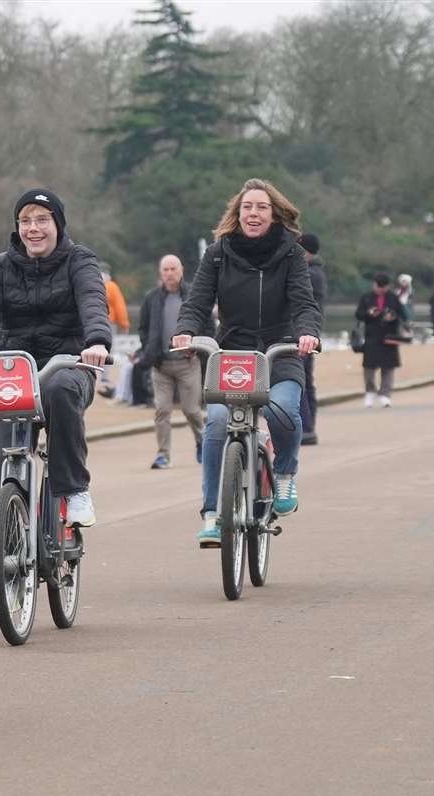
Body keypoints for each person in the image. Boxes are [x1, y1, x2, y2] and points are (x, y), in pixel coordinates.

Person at [0, 188, 112, 527]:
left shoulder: (80, 260)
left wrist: (98, 342)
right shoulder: (1, 267)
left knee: (60, 388)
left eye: (42, 220)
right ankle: (10, 546)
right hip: (13, 372)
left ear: (57, 224)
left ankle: (74, 491)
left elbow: (92, 301)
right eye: (25, 220)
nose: (33, 228)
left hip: (69, 364)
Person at [172, 177, 320, 547]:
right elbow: (197, 300)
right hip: (234, 351)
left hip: (281, 348)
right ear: (237, 214)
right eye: (247, 208)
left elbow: (303, 302)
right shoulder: (218, 253)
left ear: (275, 214)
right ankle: (211, 513)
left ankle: (284, 472)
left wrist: (307, 333)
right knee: (217, 424)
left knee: (284, 410)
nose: (254, 214)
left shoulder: (291, 254)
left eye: (261, 207)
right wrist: (186, 330)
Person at [137, 254, 203, 469]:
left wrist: (197, 348)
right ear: (160, 272)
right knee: (162, 410)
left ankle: (202, 443)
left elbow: (208, 325)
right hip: (161, 364)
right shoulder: (152, 298)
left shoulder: (193, 295)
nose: (169, 273)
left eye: (173, 269)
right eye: (165, 269)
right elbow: (143, 328)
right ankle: (163, 454)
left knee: (191, 410)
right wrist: (149, 348)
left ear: (181, 270)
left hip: (188, 362)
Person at [355, 272, 407, 406]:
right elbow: (358, 315)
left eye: (383, 287)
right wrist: (369, 313)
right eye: (379, 287)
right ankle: (370, 392)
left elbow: (403, 314)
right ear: (374, 285)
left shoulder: (393, 298)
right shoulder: (366, 298)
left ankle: (385, 394)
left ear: (388, 286)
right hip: (372, 336)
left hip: (389, 336)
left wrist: (393, 317)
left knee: (388, 367)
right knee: (369, 367)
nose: (381, 289)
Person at [297, 233, 327, 444]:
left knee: (300, 382)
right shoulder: (317, 272)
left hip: (304, 333)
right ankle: (309, 426)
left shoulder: (308, 273)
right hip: (312, 331)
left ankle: (306, 428)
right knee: (307, 382)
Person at [102, 263, 130, 334]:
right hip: (109, 322)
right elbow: (120, 306)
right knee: (109, 344)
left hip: (90, 322)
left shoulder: (91, 285)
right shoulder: (112, 286)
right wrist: (124, 325)